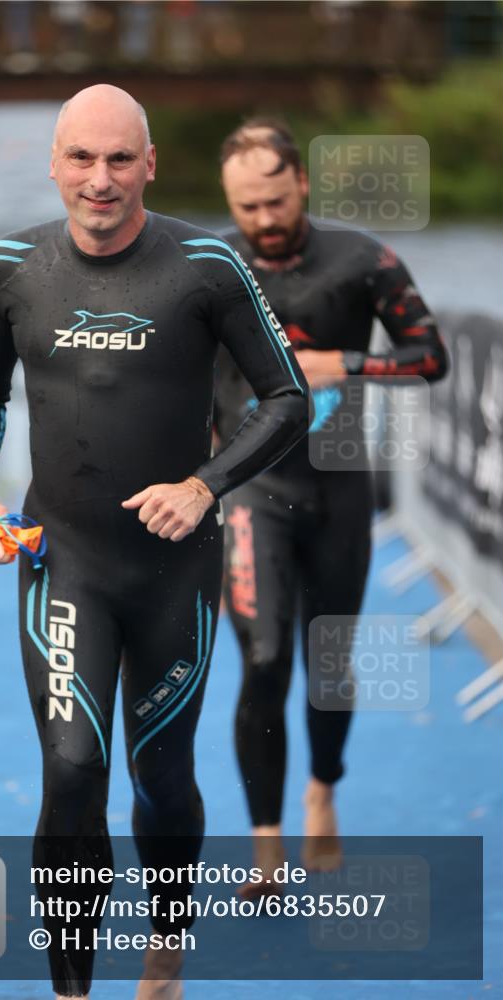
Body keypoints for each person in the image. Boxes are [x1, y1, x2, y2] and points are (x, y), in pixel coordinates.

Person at [0, 87, 309, 999]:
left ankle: (164, 948)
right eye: (82, 158)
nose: (100, 179)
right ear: (54, 163)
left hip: (171, 572)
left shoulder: (206, 265)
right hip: (61, 558)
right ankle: (71, 989)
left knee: (159, 773)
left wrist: (203, 487)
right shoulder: (10, 265)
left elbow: (286, 399)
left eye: (120, 159)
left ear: (149, 163)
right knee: (71, 770)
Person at [215, 118, 448, 890]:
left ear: (301, 184)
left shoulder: (360, 259)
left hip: (339, 484)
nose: (263, 221)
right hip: (247, 487)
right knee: (264, 656)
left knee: (327, 665)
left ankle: (321, 790)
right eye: (247, 207)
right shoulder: (206, 264)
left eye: (275, 202)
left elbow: (429, 358)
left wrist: (343, 362)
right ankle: (265, 841)